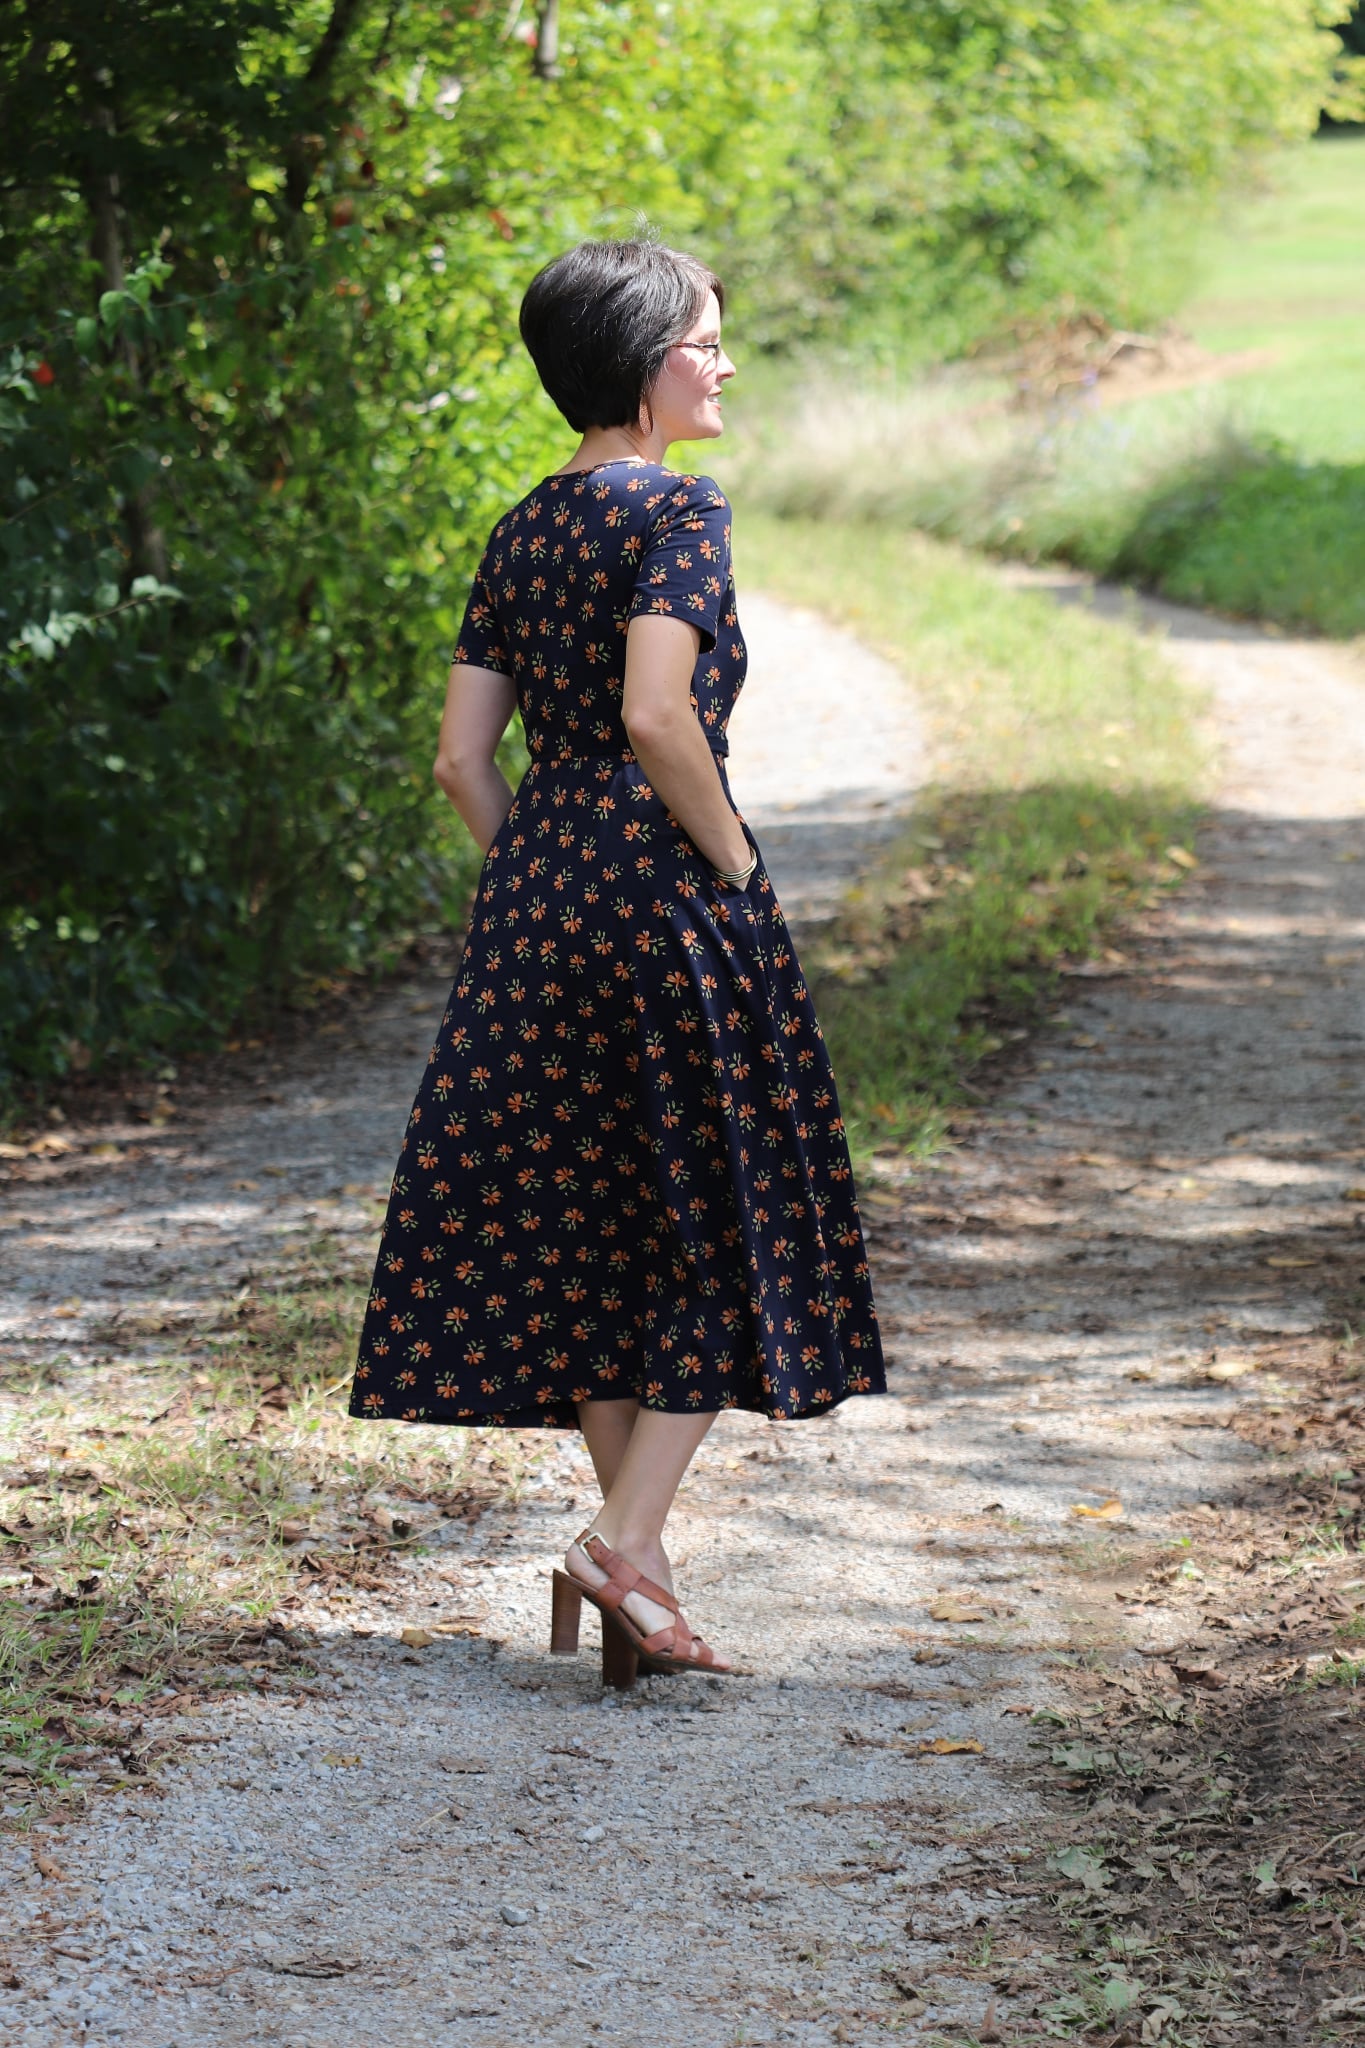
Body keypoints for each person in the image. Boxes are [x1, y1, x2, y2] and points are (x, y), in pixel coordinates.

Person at [348, 235, 886, 1687]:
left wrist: (544, 876)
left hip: (533, 907)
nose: (722, 363)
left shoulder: (521, 526)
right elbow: (661, 717)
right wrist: (730, 861)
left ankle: (630, 1564)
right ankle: (620, 1547)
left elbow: (463, 761)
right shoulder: (679, 513)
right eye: (707, 339)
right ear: (648, 364)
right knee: (718, 1213)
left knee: (589, 1229)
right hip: (661, 896)